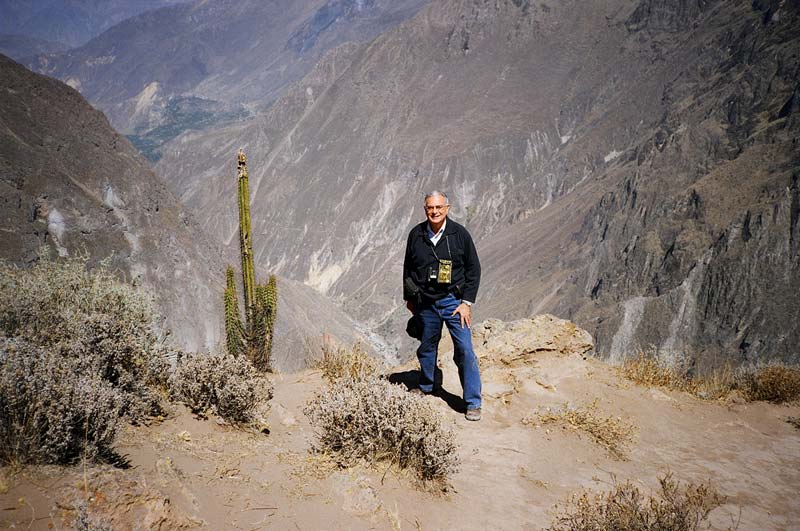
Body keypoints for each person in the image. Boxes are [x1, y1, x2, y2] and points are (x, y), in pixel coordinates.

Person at [403, 191, 483, 421]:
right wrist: (410, 298)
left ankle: (472, 402)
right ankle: (427, 385)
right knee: (427, 348)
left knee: (465, 349)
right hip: (425, 302)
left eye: (439, 207)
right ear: (425, 209)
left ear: (447, 208)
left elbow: (473, 270)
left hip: (454, 302)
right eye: (430, 207)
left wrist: (466, 303)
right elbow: (408, 268)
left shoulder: (460, 235)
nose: (435, 212)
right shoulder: (416, 235)